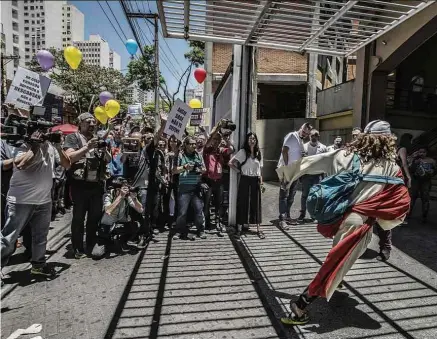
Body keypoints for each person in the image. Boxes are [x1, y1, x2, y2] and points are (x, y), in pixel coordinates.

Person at [277, 120, 410, 325]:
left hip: (338, 216)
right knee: (336, 264)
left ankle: (335, 283)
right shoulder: (391, 168)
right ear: (387, 142)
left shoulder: (346, 155)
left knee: (336, 256)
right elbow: (400, 203)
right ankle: (300, 306)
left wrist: (286, 176)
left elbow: (312, 162)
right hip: (358, 224)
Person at [1, 130, 70, 278]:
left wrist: (58, 146)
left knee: (40, 237)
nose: (45, 134)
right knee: (9, 239)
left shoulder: (51, 146)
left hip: (44, 200)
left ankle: (38, 265)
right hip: (20, 201)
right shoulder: (22, 144)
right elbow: (21, 164)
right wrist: (35, 145)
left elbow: (66, 164)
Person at [64, 113, 111, 259]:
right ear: (80, 123)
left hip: (96, 184)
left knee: (95, 216)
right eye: (88, 121)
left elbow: (108, 160)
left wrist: (104, 150)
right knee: (78, 217)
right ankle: (77, 247)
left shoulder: (98, 139)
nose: (92, 124)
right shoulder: (73, 138)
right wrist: (87, 147)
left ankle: (91, 243)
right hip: (79, 185)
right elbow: (70, 157)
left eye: (93, 122)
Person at [92, 177, 145, 258]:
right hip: (107, 225)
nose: (126, 190)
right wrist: (120, 197)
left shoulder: (127, 196)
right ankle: (105, 242)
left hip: (119, 222)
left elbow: (140, 209)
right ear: (117, 189)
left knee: (136, 225)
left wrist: (135, 198)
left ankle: (121, 241)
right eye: (123, 188)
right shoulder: (108, 195)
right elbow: (108, 210)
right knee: (96, 254)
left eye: (126, 188)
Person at [229, 132, 264, 239]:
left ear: (256, 140)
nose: (252, 140)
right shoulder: (243, 152)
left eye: (254, 138)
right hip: (245, 179)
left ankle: (258, 228)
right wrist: (239, 171)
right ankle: (239, 228)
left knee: (256, 203)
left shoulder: (259, 153)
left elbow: (260, 170)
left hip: (255, 180)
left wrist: (261, 182)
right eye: (250, 139)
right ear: (247, 140)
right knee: (242, 202)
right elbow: (230, 163)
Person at [277, 123, 312, 230]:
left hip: (295, 172)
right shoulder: (292, 136)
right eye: (304, 131)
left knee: (291, 195)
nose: (305, 134)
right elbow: (284, 151)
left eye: (307, 133)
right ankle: (282, 219)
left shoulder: (301, 141)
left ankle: (287, 217)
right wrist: (287, 168)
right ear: (301, 128)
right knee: (284, 195)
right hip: (287, 170)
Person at [202, 120, 234, 236]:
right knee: (206, 203)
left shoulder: (221, 151)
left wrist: (225, 138)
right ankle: (207, 224)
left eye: (218, 139)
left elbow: (231, 149)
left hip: (219, 181)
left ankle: (218, 223)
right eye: (215, 139)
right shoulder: (207, 150)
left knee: (218, 203)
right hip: (208, 180)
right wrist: (217, 128)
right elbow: (209, 140)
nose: (215, 141)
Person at [172, 136, 207, 240]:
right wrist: (185, 167)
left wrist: (199, 169)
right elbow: (174, 170)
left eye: (194, 144)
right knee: (182, 212)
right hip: (184, 187)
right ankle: (179, 231)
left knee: (199, 211)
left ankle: (201, 230)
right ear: (186, 145)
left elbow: (204, 169)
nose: (193, 146)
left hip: (196, 187)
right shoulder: (180, 155)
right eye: (191, 144)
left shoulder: (198, 156)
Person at [298, 129, 327, 222]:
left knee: (316, 196)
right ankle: (302, 213)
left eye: (316, 135)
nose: (313, 137)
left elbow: (325, 162)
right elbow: (300, 161)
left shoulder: (323, 147)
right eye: (312, 135)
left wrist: (324, 176)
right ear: (309, 136)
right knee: (304, 195)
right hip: (306, 174)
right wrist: (300, 175)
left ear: (318, 136)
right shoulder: (304, 146)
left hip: (318, 175)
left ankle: (314, 215)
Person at [408, 147, 436, 223]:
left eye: (424, 152)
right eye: (420, 152)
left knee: (425, 198)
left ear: (427, 153)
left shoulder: (431, 161)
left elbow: (435, 170)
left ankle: (424, 215)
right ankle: (408, 214)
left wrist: (431, 172)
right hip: (416, 181)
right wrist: (414, 162)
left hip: (426, 182)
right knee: (412, 198)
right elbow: (410, 169)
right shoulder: (415, 160)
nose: (422, 154)